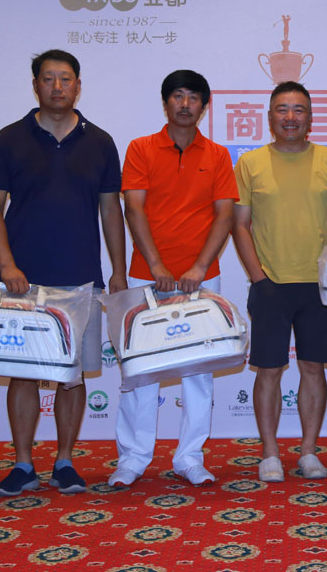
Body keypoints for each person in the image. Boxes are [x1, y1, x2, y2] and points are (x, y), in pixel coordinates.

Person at [0, 49, 127, 496]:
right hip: (22, 281)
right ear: (35, 85)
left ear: (78, 86)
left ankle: (64, 462)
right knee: (22, 373)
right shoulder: (9, 139)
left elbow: (111, 211)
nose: (58, 87)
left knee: (73, 375)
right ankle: (23, 465)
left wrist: (118, 271)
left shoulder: (100, 141)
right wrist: (7, 265)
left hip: (81, 278)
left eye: (66, 79)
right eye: (48, 79)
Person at [109, 70, 238, 488]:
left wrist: (199, 267)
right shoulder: (141, 148)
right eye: (177, 96)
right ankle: (132, 458)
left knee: (198, 374)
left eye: (193, 97)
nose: (185, 104)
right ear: (165, 103)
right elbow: (134, 209)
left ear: (204, 106)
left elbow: (224, 215)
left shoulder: (217, 154)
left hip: (203, 279)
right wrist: (157, 266)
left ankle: (190, 457)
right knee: (139, 372)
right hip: (144, 276)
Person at [232, 81, 327, 482]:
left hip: (319, 284)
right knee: (268, 370)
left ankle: (308, 452)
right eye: (282, 109)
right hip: (270, 283)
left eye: (298, 109)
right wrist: (258, 277)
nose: (290, 117)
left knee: (313, 368)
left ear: (310, 118)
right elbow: (239, 225)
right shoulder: (250, 163)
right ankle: (269, 453)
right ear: (269, 117)